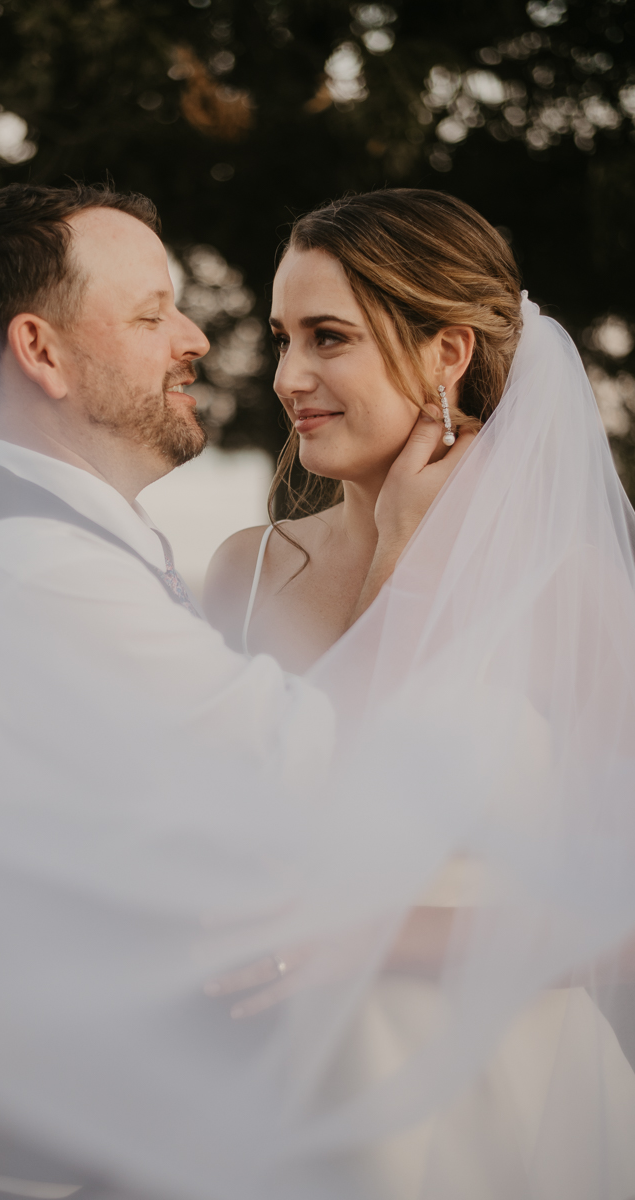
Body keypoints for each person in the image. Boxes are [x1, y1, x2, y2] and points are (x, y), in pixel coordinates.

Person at [0, 183, 464, 1200]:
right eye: (150, 313)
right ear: (39, 352)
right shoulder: (38, 574)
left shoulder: (74, 550)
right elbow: (320, 781)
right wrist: (410, 550)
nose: (193, 337)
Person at [205, 189, 635, 1197]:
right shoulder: (246, 572)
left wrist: (369, 938)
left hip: (503, 1115)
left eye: (327, 338)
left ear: (445, 354)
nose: (288, 377)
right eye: (280, 339)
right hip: (279, 1108)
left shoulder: (563, 592)